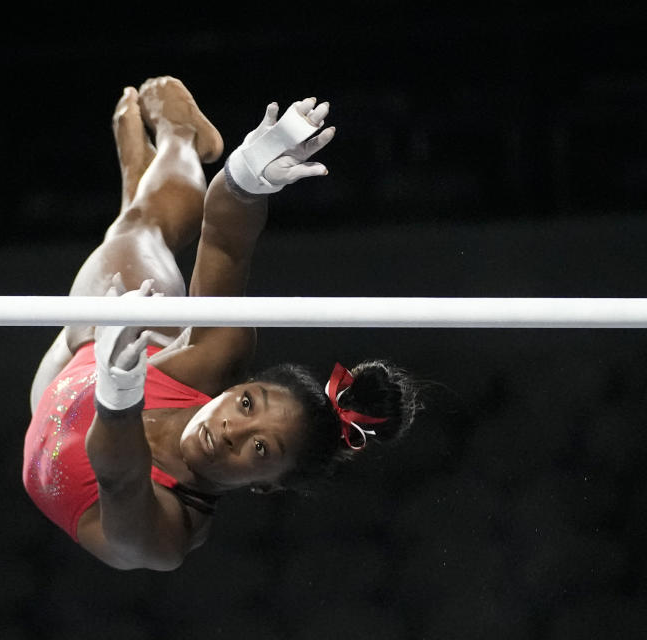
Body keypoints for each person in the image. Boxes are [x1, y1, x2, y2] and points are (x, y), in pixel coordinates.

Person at [23, 77, 421, 571]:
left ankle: (142, 183)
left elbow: (120, 481)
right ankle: (179, 135)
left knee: (130, 232)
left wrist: (119, 385)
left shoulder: (168, 537)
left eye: (260, 447)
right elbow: (225, 245)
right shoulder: (214, 357)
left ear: (266, 484)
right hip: (112, 349)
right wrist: (245, 179)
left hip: (76, 388)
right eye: (248, 402)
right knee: (138, 233)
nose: (233, 427)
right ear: (240, 384)